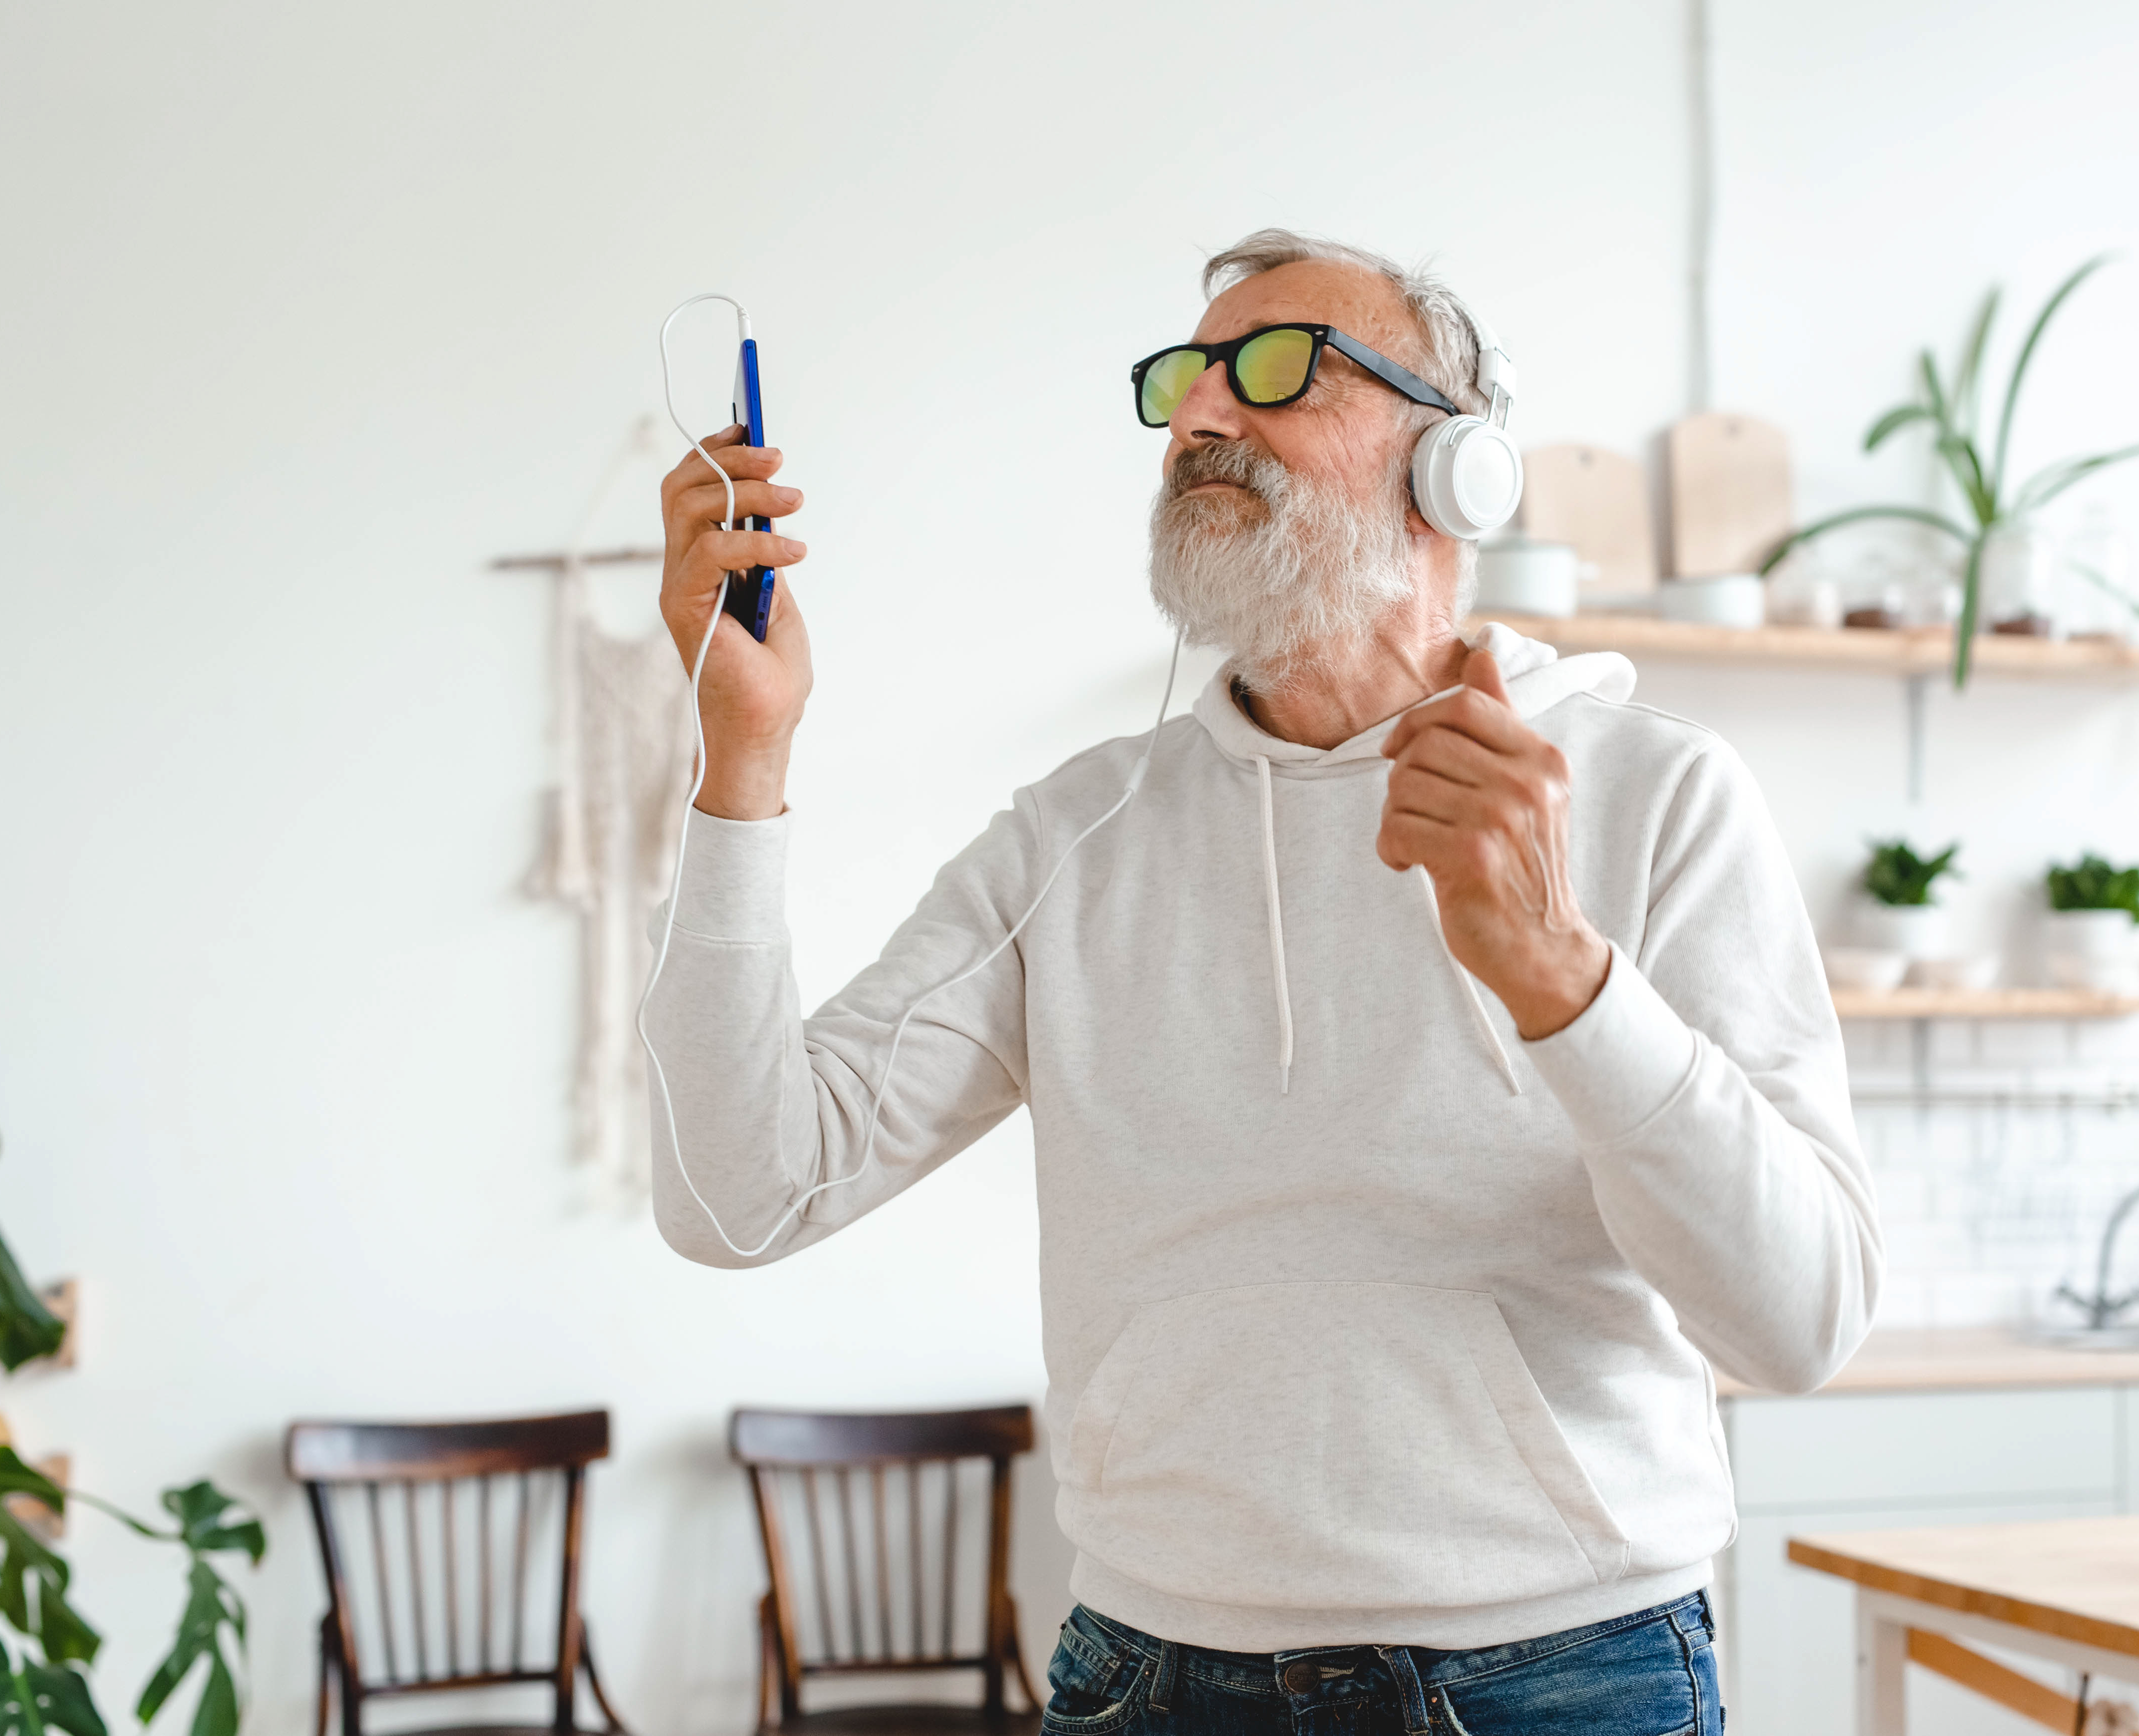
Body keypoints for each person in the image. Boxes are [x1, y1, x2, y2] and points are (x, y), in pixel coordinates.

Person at [646, 229, 1878, 1735]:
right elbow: (736, 1197)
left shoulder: (1654, 794)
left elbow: (1801, 1321)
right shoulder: (1072, 835)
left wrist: (1561, 976)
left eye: (1277, 367)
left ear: (1456, 469)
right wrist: (743, 753)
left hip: (1560, 1679)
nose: (1203, 416)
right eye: (1186, 379)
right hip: (1148, 1676)